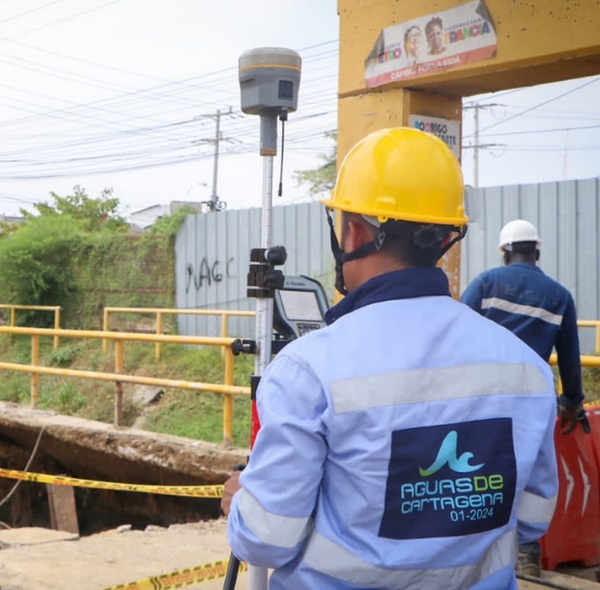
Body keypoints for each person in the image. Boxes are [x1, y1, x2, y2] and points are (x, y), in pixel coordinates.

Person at [222, 128, 558, 590]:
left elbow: (266, 540)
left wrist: (242, 502)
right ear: (445, 237)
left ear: (355, 231)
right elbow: (534, 518)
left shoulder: (309, 370)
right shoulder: (529, 369)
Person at [461, 218, 585, 576]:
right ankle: (527, 555)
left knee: (480, 467)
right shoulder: (560, 295)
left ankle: (475, 548)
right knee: (528, 470)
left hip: (484, 393)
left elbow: (458, 328)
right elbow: (571, 357)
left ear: (505, 253)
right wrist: (572, 403)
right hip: (534, 397)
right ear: (537, 250)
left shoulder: (487, 282)